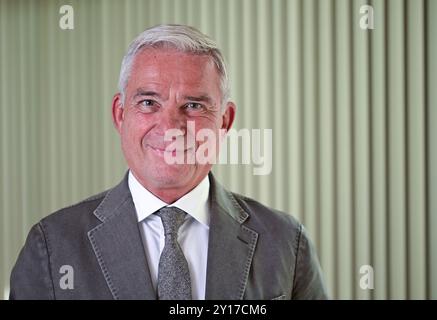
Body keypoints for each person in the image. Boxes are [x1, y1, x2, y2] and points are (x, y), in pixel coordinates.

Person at [9, 24, 327, 300]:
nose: (171, 127)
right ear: (121, 114)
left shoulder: (287, 243)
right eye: (149, 102)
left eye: (193, 105)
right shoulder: (51, 247)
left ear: (225, 121)